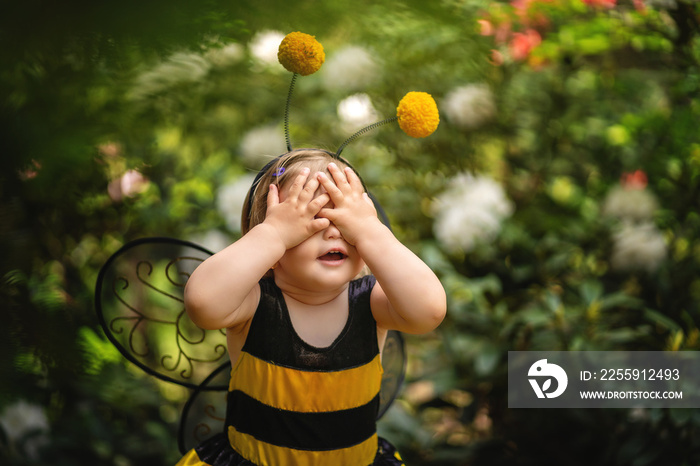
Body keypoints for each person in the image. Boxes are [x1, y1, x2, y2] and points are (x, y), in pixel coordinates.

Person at [176, 148, 446, 466]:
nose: (334, 231)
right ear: (271, 249)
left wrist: (371, 231)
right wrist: (273, 233)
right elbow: (202, 304)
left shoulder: (371, 303)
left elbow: (428, 311)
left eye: (346, 220)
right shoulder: (253, 303)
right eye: (314, 220)